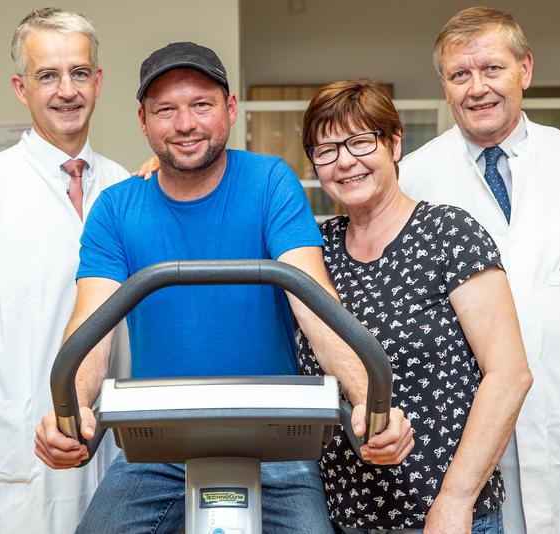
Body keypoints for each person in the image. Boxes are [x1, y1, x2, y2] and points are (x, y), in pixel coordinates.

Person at [33, 42, 412, 533]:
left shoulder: (270, 182)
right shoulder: (116, 208)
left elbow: (316, 306)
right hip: (157, 447)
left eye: (201, 105)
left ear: (230, 110)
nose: (185, 124)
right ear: (143, 120)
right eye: (166, 110)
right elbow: (90, 327)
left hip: (276, 441)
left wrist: (371, 406)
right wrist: (71, 413)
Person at [400, 6, 560, 533]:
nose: (477, 88)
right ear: (445, 85)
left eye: (492, 69)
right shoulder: (415, 178)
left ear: (525, 69)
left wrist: (549, 364)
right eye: (460, 74)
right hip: (466, 443)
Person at [297, 79, 532, 533]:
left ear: (394, 143)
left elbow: (510, 374)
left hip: (446, 515)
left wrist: (455, 501)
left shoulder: (449, 234)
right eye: (326, 151)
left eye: (360, 142)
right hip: (344, 517)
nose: (345, 161)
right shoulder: (314, 250)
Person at [0, 8, 129, 534]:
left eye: (79, 72)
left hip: (113, 454)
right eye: (48, 75)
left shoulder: (124, 184)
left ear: (99, 80)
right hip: (14, 465)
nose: (67, 90)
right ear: (21, 87)